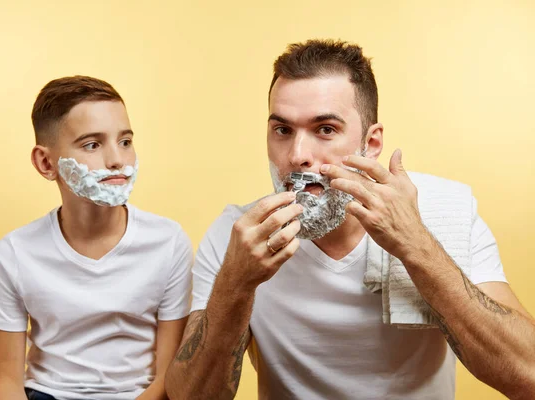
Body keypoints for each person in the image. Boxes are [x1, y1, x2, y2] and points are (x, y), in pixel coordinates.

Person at [165, 40, 535, 399]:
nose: (298, 155)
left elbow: (529, 377)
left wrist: (416, 245)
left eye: (325, 129)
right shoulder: (239, 235)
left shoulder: (442, 211)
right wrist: (235, 284)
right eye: (283, 130)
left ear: (371, 144)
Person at [0, 76, 192, 400]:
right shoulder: (15, 252)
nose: (116, 160)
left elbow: (169, 377)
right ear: (46, 162)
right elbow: (5, 381)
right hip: (46, 393)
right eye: (92, 144)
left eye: (125, 141)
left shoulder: (168, 242)